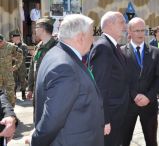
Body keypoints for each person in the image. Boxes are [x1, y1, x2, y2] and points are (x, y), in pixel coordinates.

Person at [26, 14, 104, 146]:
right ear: (80, 37)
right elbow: (53, 119)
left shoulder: (57, 53)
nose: (93, 40)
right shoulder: (65, 67)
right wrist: (35, 140)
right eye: (92, 35)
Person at [89, 11, 129, 146]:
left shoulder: (112, 46)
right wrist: (104, 120)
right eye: (122, 22)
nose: (125, 25)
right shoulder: (103, 47)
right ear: (110, 24)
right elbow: (99, 87)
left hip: (117, 113)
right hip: (110, 115)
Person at [121, 17, 159, 146]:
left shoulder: (155, 52)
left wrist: (149, 97)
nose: (140, 34)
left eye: (143, 30)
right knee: (124, 141)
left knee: (151, 141)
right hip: (128, 105)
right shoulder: (120, 52)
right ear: (130, 32)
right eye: (137, 30)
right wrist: (134, 95)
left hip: (149, 105)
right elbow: (121, 79)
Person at [27, 17, 58, 102]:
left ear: (43, 29)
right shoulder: (38, 46)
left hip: (51, 92)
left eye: (36, 27)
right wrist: (30, 88)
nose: (34, 30)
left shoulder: (56, 47)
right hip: (38, 90)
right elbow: (32, 67)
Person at [0, 34, 23, 107]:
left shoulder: (11, 47)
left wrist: (16, 66)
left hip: (8, 74)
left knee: (10, 93)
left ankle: (11, 109)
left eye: (0, 42)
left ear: (3, 40)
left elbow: (20, 56)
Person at [9, 29, 28, 100]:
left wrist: (14, 57)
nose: (15, 39)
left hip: (21, 66)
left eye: (17, 38)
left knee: (23, 80)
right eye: (14, 38)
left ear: (19, 38)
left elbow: (25, 55)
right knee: (13, 81)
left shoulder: (24, 46)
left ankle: (23, 94)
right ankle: (14, 94)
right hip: (13, 66)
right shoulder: (11, 46)